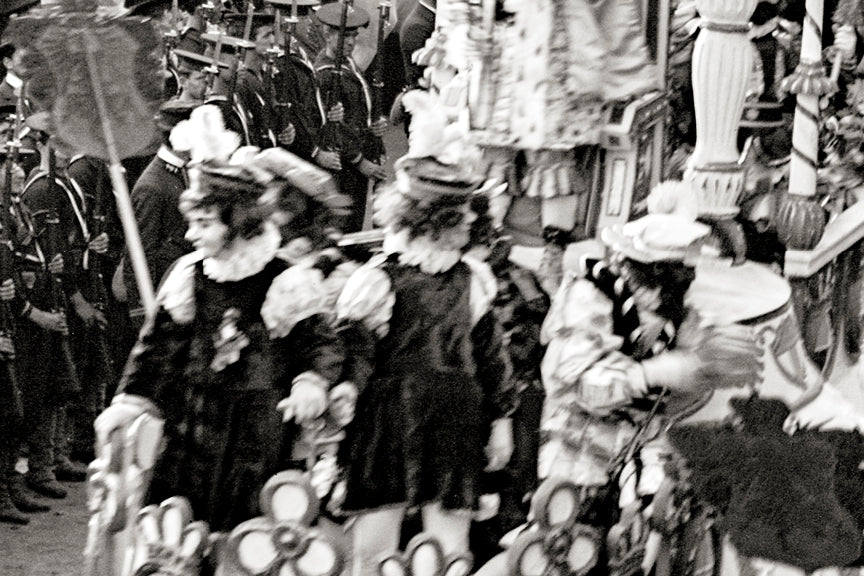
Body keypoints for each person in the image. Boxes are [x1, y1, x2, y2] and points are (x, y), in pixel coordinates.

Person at [97, 107, 345, 533]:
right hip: (190, 431)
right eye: (191, 222)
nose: (191, 234)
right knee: (180, 538)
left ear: (238, 220)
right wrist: (130, 401)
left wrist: (311, 383)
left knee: (246, 541)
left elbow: (320, 344)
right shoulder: (189, 275)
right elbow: (157, 350)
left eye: (203, 223)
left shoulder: (284, 280)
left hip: (259, 436)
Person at [334, 154, 516, 576]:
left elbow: (490, 354)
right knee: (373, 550)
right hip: (387, 423)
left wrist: (502, 420)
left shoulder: (471, 278)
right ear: (430, 218)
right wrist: (345, 391)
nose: (472, 220)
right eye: (461, 214)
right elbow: (356, 351)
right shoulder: (380, 279)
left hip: (455, 422)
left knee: (449, 553)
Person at [122, 98, 200, 330]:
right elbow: (139, 255)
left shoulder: (181, 172)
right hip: (163, 298)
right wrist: (142, 312)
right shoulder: (152, 186)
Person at [315, 1, 387, 233]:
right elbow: (335, 127)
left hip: (360, 156)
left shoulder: (349, 63)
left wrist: (375, 124)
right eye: (344, 36)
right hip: (344, 165)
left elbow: (359, 108)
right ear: (327, 33)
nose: (350, 42)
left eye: (354, 36)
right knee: (343, 227)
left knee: (356, 222)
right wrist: (359, 160)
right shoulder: (325, 74)